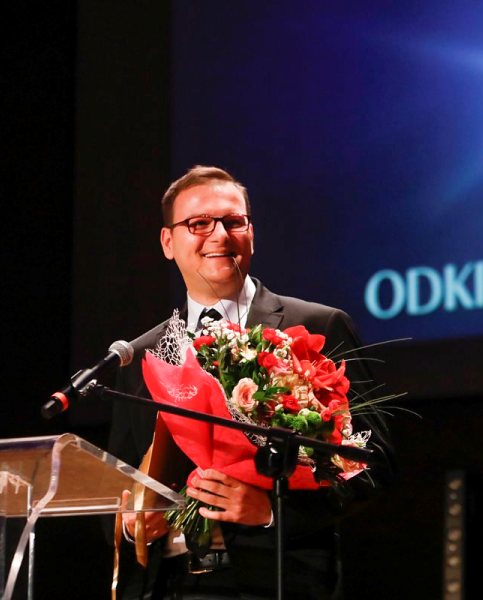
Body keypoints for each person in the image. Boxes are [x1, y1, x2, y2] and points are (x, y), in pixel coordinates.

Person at [106, 165, 395, 599]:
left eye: (233, 221)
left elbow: (373, 462)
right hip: (169, 584)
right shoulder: (141, 354)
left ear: (251, 233)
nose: (219, 235)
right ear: (168, 242)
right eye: (199, 223)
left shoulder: (316, 325)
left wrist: (272, 511)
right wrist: (133, 525)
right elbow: (116, 480)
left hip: (275, 577)